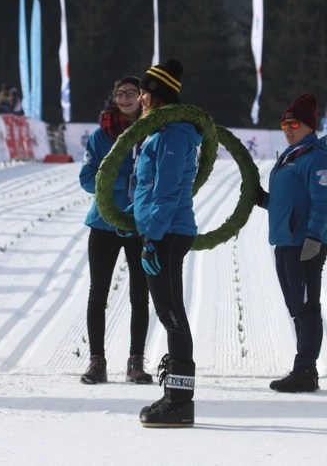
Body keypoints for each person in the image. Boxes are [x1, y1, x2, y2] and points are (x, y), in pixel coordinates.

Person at [129, 59, 201, 427]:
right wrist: (133, 220)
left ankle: (180, 400)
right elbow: (146, 187)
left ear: (156, 95)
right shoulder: (158, 132)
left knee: (171, 315)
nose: (138, 97)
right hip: (160, 231)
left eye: (143, 91)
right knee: (168, 313)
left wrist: (153, 238)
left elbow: (168, 191)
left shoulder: (173, 135)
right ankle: (174, 394)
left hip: (169, 234)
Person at [255, 92, 327, 393]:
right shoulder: (292, 156)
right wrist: (261, 199)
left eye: (294, 124)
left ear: (309, 127)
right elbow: (284, 202)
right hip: (285, 243)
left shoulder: (315, 157)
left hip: (305, 244)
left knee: (306, 308)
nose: (288, 129)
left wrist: (314, 238)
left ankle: (305, 371)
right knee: (296, 307)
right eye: (284, 124)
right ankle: (305, 369)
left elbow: (322, 203)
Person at [78, 76, 153, 385]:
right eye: (119, 93)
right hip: (104, 223)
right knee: (98, 293)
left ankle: (136, 362)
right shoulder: (100, 136)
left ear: (141, 97)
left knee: (140, 294)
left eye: (131, 93)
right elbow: (86, 179)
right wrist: (124, 184)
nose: (124, 98)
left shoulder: (152, 132)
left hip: (139, 224)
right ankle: (97, 361)